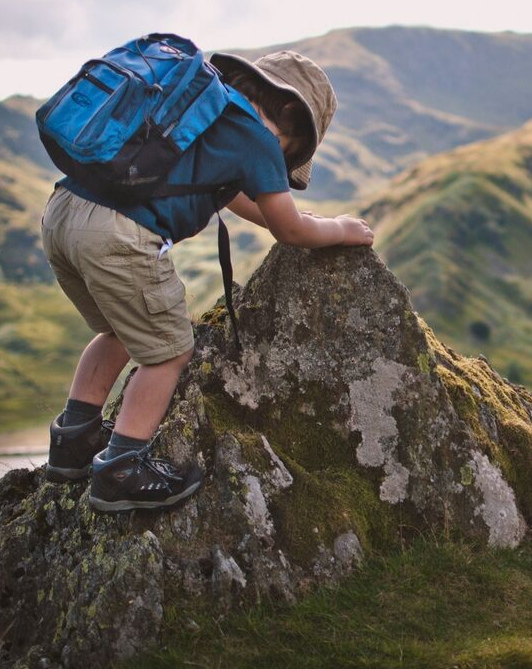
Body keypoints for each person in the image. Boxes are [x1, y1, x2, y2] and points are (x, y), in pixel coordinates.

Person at [39, 50, 372, 512]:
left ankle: (72, 441)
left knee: (116, 330)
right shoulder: (257, 139)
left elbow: (238, 197)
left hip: (62, 214)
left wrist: (299, 215)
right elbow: (289, 230)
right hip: (118, 236)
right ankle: (121, 468)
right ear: (293, 123)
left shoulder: (205, 110)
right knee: (170, 353)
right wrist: (339, 228)